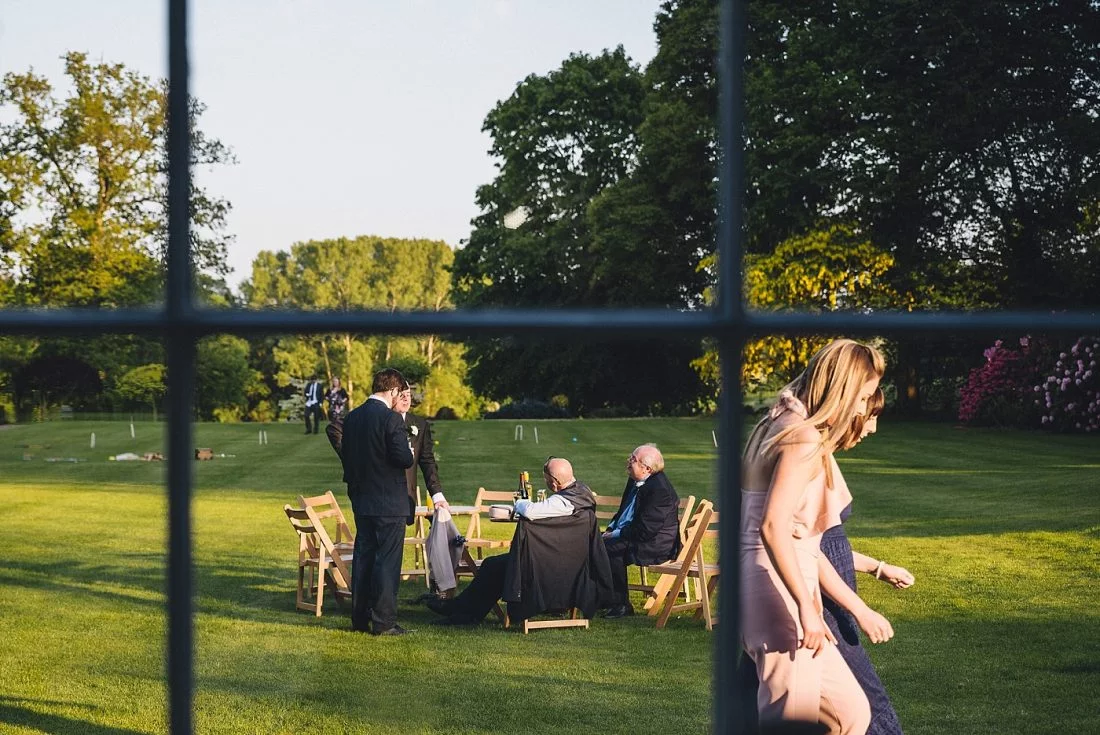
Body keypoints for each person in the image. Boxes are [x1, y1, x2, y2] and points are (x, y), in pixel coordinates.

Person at [738, 388, 915, 734]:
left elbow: (810, 545)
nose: (869, 421)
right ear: (841, 391)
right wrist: (807, 605)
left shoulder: (793, 432)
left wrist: (875, 572)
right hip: (783, 591)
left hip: (797, 589)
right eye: (864, 400)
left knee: (851, 713)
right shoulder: (801, 439)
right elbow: (774, 529)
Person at [425, 457, 607, 625]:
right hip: (570, 563)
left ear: (554, 482)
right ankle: (462, 612)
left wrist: (520, 503)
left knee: (494, 566)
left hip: (549, 568)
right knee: (495, 566)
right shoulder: (582, 493)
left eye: (546, 480)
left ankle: (461, 613)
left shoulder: (563, 502)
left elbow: (530, 511)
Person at [341, 368, 415, 636]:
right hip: (389, 502)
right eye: (401, 393)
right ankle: (384, 622)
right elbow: (404, 459)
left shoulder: (352, 418)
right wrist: (406, 449)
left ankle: (359, 619)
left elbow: (346, 455)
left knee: (363, 558)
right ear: (393, 391)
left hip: (362, 500)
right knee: (387, 561)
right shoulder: (391, 419)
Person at [601, 444, 682, 619]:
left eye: (633, 459)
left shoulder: (660, 490)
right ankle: (603, 599)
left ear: (646, 468)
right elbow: (623, 511)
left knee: (609, 549)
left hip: (655, 543)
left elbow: (646, 530)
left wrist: (614, 535)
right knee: (597, 542)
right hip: (637, 533)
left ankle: (621, 605)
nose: (629, 462)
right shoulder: (634, 480)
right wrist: (610, 529)